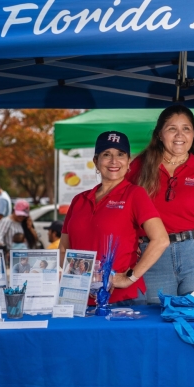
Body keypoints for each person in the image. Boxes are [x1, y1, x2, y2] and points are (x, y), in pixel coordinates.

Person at [128, 105, 194, 303]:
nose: (179, 135)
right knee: (152, 321)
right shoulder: (139, 167)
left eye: (186, 128)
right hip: (153, 256)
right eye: (171, 128)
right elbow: (125, 213)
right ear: (159, 134)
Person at [59, 130, 169, 305]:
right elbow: (64, 248)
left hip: (121, 299)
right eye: (106, 154)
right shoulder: (79, 200)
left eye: (120, 154)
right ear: (96, 161)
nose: (113, 161)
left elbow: (161, 239)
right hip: (79, 299)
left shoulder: (135, 194)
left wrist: (129, 278)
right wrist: (78, 280)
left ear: (128, 162)